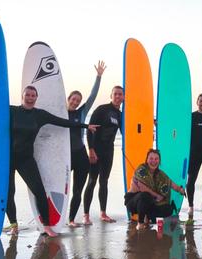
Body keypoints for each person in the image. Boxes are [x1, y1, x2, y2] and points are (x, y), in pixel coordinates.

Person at [0, 86, 98, 237]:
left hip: (26, 160)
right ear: (23, 96)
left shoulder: (40, 115)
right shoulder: (12, 111)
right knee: (9, 193)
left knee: (39, 191)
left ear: (36, 98)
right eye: (28, 95)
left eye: (33, 95)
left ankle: (47, 226)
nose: (30, 98)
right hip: (8, 159)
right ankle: (14, 225)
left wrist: (86, 126)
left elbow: (62, 122)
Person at [67, 60, 106, 227]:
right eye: (74, 99)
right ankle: (56, 218)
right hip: (65, 156)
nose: (76, 102)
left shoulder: (81, 112)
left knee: (78, 190)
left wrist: (98, 76)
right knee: (62, 190)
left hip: (80, 155)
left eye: (78, 100)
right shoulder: (59, 113)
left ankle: (71, 220)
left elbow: (92, 96)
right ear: (68, 99)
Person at [83, 85, 124, 223]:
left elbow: (127, 131)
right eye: (116, 94)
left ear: (124, 97)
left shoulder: (120, 115)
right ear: (111, 96)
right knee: (92, 181)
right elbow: (90, 130)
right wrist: (91, 149)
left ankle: (103, 213)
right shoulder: (102, 109)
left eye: (120, 94)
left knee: (104, 182)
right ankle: (86, 215)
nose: (118, 96)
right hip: (96, 150)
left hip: (109, 151)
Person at [125, 149, 186, 230]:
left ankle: (149, 217)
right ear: (147, 160)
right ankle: (140, 223)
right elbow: (143, 188)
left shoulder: (160, 174)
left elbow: (170, 183)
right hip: (133, 201)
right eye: (151, 158)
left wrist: (180, 190)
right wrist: (157, 196)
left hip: (149, 202)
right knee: (145, 196)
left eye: (156, 159)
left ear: (159, 161)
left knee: (168, 209)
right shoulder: (141, 169)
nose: (153, 161)